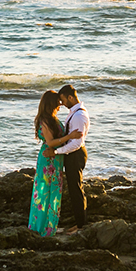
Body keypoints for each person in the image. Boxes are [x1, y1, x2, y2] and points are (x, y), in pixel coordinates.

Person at [29, 90, 82, 237]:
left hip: (56, 159)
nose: (60, 105)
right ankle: (41, 227)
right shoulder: (45, 120)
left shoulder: (53, 118)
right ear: (51, 104)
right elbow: (51, 142)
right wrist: (70, 136)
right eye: (58, 103)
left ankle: (50, 225)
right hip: (48, 159)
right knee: (45, 192)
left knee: (54, 191)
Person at [44, 84, 89, 235]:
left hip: (75, 155)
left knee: (76, 189)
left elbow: (76, 143)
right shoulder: (74, 113)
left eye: (63, 100)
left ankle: (81, 226)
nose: (61, 104)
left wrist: (56, 151)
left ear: (70, 97)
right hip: (72, 154)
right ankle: (78, 222)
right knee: (73, 188)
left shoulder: (79, 115)